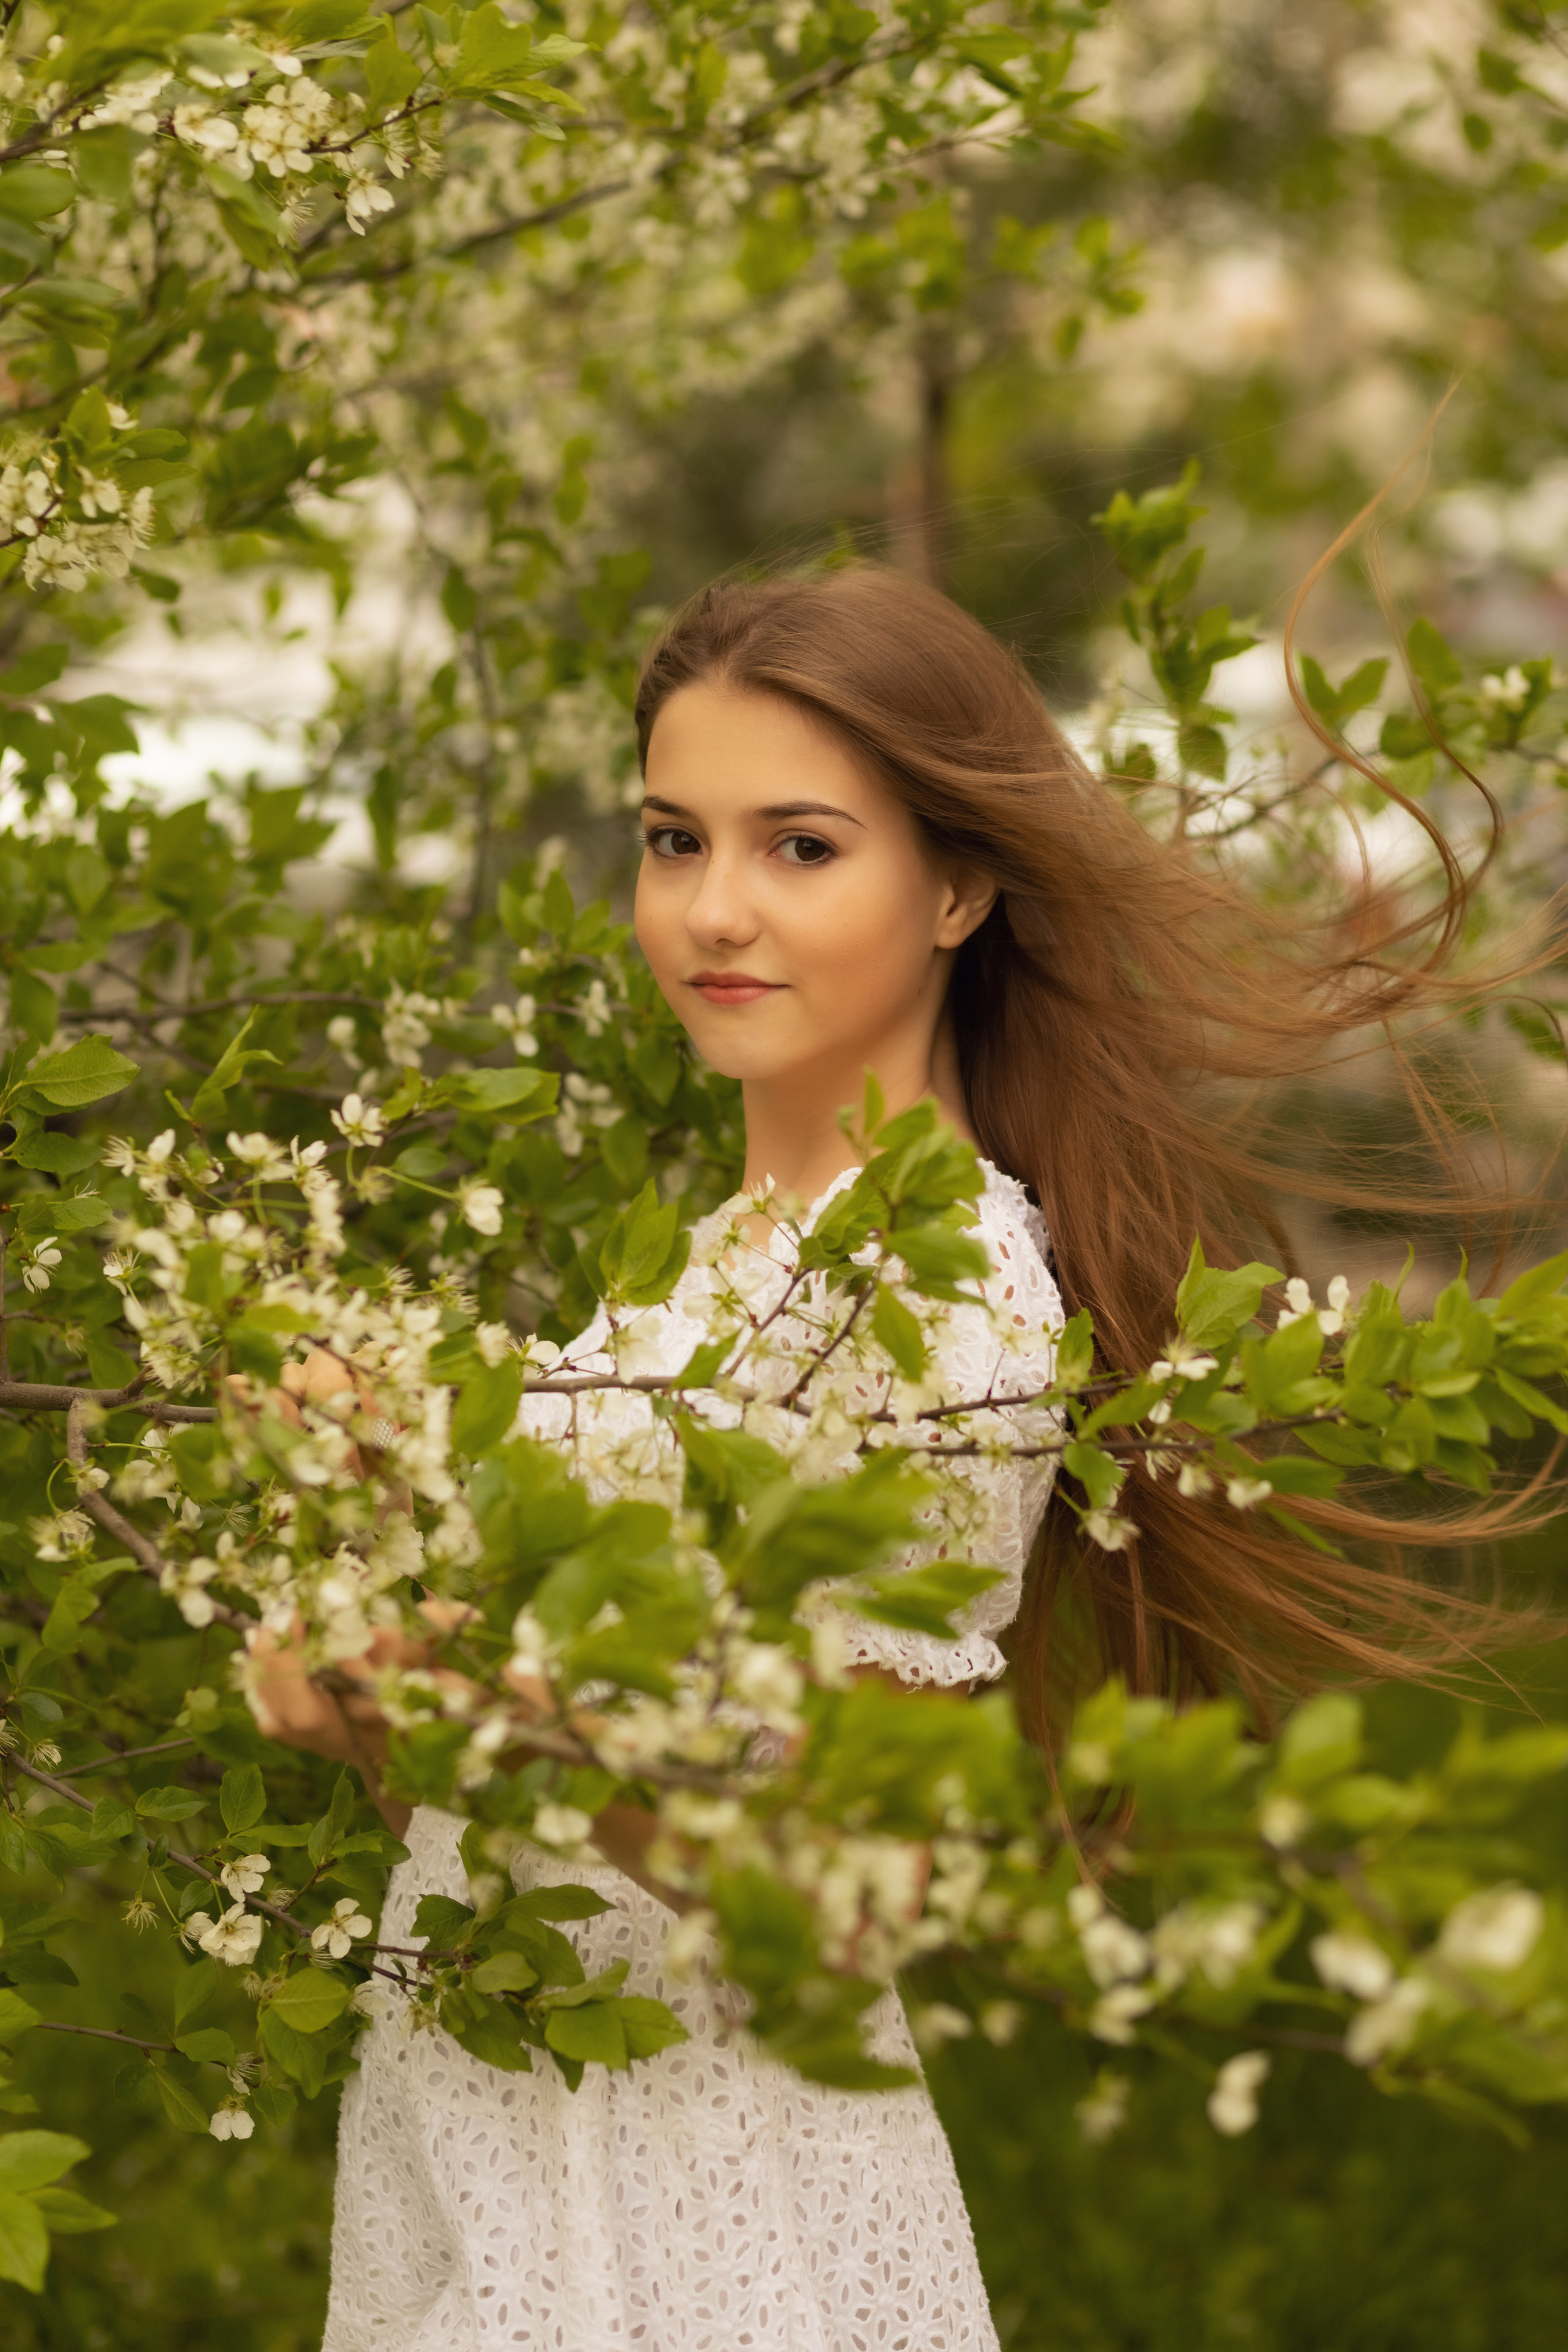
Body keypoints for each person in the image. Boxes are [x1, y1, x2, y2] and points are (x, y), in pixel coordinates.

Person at [249, 565, 1527, 2350]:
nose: (716, 911)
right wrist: (369, 1653)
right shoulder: (716, 1268)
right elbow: (507, 1807)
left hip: (703, 2183)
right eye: (674, 839)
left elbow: (847, 1893)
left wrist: (489, 1731)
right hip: (515, 2096)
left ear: (956, 888)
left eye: (799, 847)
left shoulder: (933, 1308)